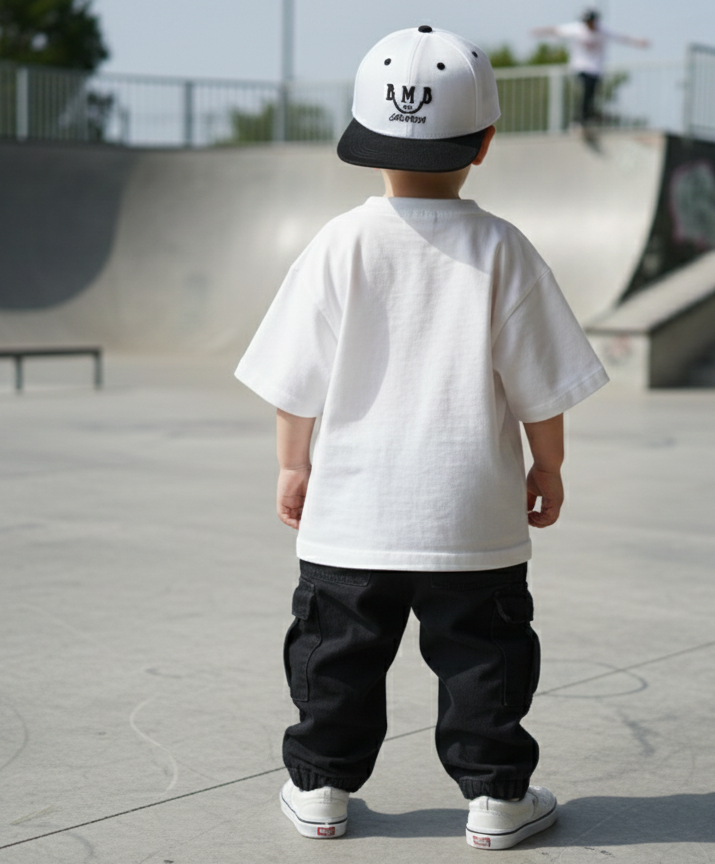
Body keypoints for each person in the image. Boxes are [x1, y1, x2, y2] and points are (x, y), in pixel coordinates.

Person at [235, 25, 608, 851]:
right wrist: (548, 465)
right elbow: (541, 383)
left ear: (364, 141)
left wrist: (292, 465)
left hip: (352, 512)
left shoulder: (339, 244)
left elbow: (295, 378)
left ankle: (322, 787)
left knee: (335, 658)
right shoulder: (504, 247)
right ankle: (498, 798)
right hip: (471, 515)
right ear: (485, 141)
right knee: (484, 660)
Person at [531, 8, 650, 128]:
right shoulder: (577, 29)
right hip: (580, 66)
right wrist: (539, 31)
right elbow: (557, 30)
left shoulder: (603, 30)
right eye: (586, 22)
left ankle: (587, 118)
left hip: (596, 68)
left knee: (591, 94)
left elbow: (621, 38)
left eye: (590, 22)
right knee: (587, 89)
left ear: (595, 21)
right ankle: (579, 120)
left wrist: (639, 42)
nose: (588, 25)